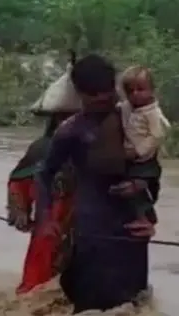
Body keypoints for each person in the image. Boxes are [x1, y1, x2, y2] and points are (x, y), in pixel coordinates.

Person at [35, 54, 156, 313]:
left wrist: (148, 215)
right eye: (95, 96)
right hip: (92, 230)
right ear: (80, 93)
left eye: (108, 92)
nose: (104, 100)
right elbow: (44, 173)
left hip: (131, 229)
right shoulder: (71, 131)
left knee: (134, 304)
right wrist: (46, 218)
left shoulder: (135, 121)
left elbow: (149, 170)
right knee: (91, 303)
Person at [7, 113, 74, 294]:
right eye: (64, 118)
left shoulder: (103, 146)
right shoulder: (42, 148)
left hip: (88, 231)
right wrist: (20, 210)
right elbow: (18, 181)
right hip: (48, 229)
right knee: (36, 289)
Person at [111, 65, 169, 224]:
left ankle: (146, 216)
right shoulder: (127, 107)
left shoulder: (152, 113)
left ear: (151, 90)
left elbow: (158, 134)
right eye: (130, 90)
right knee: (124, 188)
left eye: (140, 89)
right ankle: (139, 215)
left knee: (139, 187)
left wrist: (138, 151)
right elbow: (117, 109)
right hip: (129, 157)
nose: (135, 94)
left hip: (145, 160)